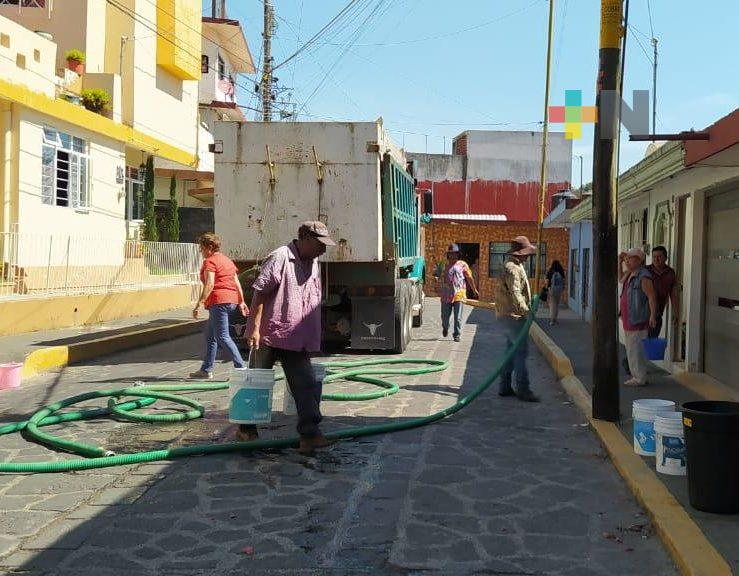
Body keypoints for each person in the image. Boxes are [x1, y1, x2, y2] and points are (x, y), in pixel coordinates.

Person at [242, 221, 335, 455]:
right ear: (304, 237)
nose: (323, 250)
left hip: (296, 337)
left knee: (306, 384)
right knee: (256, 383)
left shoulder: (314, 263)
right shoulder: (280, 257)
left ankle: (309, 433)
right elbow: (260, 293)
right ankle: (246, 428)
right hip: (270, 333)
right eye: (319, 244)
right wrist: (253, 328)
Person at [189, 233, 248, 380]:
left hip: (219, 302)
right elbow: (236, 282)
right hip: (231, 301)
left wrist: (199, 303)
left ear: (209, 248)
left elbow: (210, 284)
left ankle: (241, 368)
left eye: (201, 248)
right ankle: (206, 369)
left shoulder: (210, 262)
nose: (200, 252)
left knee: (222, 336)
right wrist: (241, 301)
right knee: (210, 335)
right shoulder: (227, 261)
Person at [496, 236, 539, 402]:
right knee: (521, 353)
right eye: (526, 253)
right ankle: (523, 389)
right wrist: (526, 311)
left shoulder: (512, 265)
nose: (528, 256)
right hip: (513, 316)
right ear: (521, 253)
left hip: (506, 315)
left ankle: (505, 386)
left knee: (510, 353)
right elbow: (515, 292)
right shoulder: (513, 268)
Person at [619, 247, 658, 386]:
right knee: (631, 347)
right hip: (629, 318)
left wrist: (653, 316)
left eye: (631, 259)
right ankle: (636, 375)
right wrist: (620, 262)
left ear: (639, 260)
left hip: (637, 318)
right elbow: (620, 279)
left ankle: (639, 377)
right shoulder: (631, 273)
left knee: (636, 349)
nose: (628, 261)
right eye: (627, 259)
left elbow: (651, 297)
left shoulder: (643, 276)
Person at [438, 244, 479, 342]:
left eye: (455, 254)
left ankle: (457, 334)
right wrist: (437, 279)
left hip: (459, 294)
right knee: (445, 317)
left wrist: (474, 290)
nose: (453, 256)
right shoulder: (443, 264)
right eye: (450, 254)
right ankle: (445, 327)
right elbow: (437, 274)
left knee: (458, 317)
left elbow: (469, 278)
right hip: (446, 295)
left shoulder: (463, 265)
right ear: (448, 255)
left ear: (458, 254)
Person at [646, 246, 678, 338]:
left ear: (665, 258)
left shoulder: (670, 272)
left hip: (658, 313)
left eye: (659, 256)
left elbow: (673, 294)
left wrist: (675, 312)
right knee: (640, 345)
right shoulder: (646, 270)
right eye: (654, 257)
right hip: (644, 313)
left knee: (652, 342)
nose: (656, 259)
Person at [545, 260, 566, 325]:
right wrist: (563, 288)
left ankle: (552, 320)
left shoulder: (550, 271)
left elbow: (547, 280)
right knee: (556, 304)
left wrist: (547, 288)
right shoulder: (561, 270)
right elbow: (564, 280)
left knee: (552, 305)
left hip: (551, 289)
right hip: (559, 290)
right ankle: (555, 318)